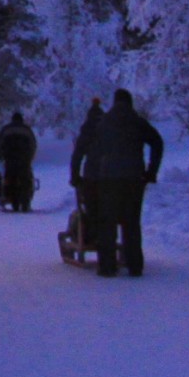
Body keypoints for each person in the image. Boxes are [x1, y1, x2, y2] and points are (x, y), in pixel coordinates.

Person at [68, 88, 164, 277]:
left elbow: (88, 151)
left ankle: (107, 266)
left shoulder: (103, 124)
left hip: (108, 179)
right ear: (130, 103)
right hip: (134, 179)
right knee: (131, 222)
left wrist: (82, 175)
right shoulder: (137, 122)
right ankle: (134, 265)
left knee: (107, 222)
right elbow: (157, 142)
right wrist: (151, 172)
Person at [0, 111, 38, 212]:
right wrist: (30, 157)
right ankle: (26, 200)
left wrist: (3, 156)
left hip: (9, 158)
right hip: (24, 159)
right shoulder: (27, 130)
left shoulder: (6, 129)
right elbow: (33, 144)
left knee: (9, 178)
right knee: (26, 179)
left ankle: (10, 197)